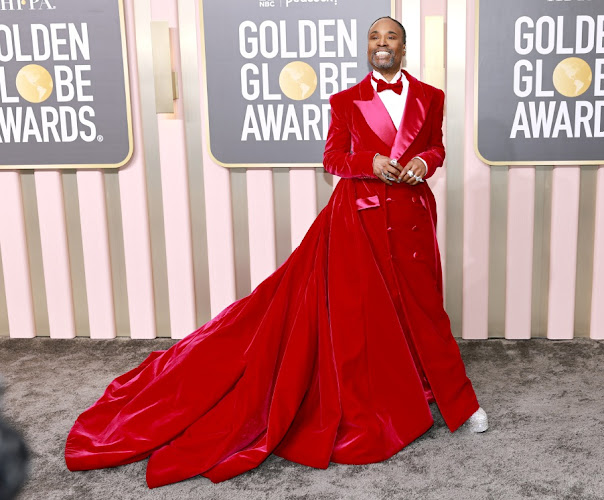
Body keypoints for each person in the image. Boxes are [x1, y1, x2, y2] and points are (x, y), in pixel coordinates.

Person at [65, 16, 487, 489]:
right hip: (357, 221)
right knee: (361, 319)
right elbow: (332, 159)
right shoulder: (346, 101)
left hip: (410, 219)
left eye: (390, 37)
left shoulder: (432, 97)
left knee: (424, 310)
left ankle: (458, 401)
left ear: (404, 47)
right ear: (366, 46)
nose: (381, 44)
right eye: (374, 37)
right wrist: (368, 162)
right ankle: (378, 406)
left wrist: (420, 162)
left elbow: (436, 149)